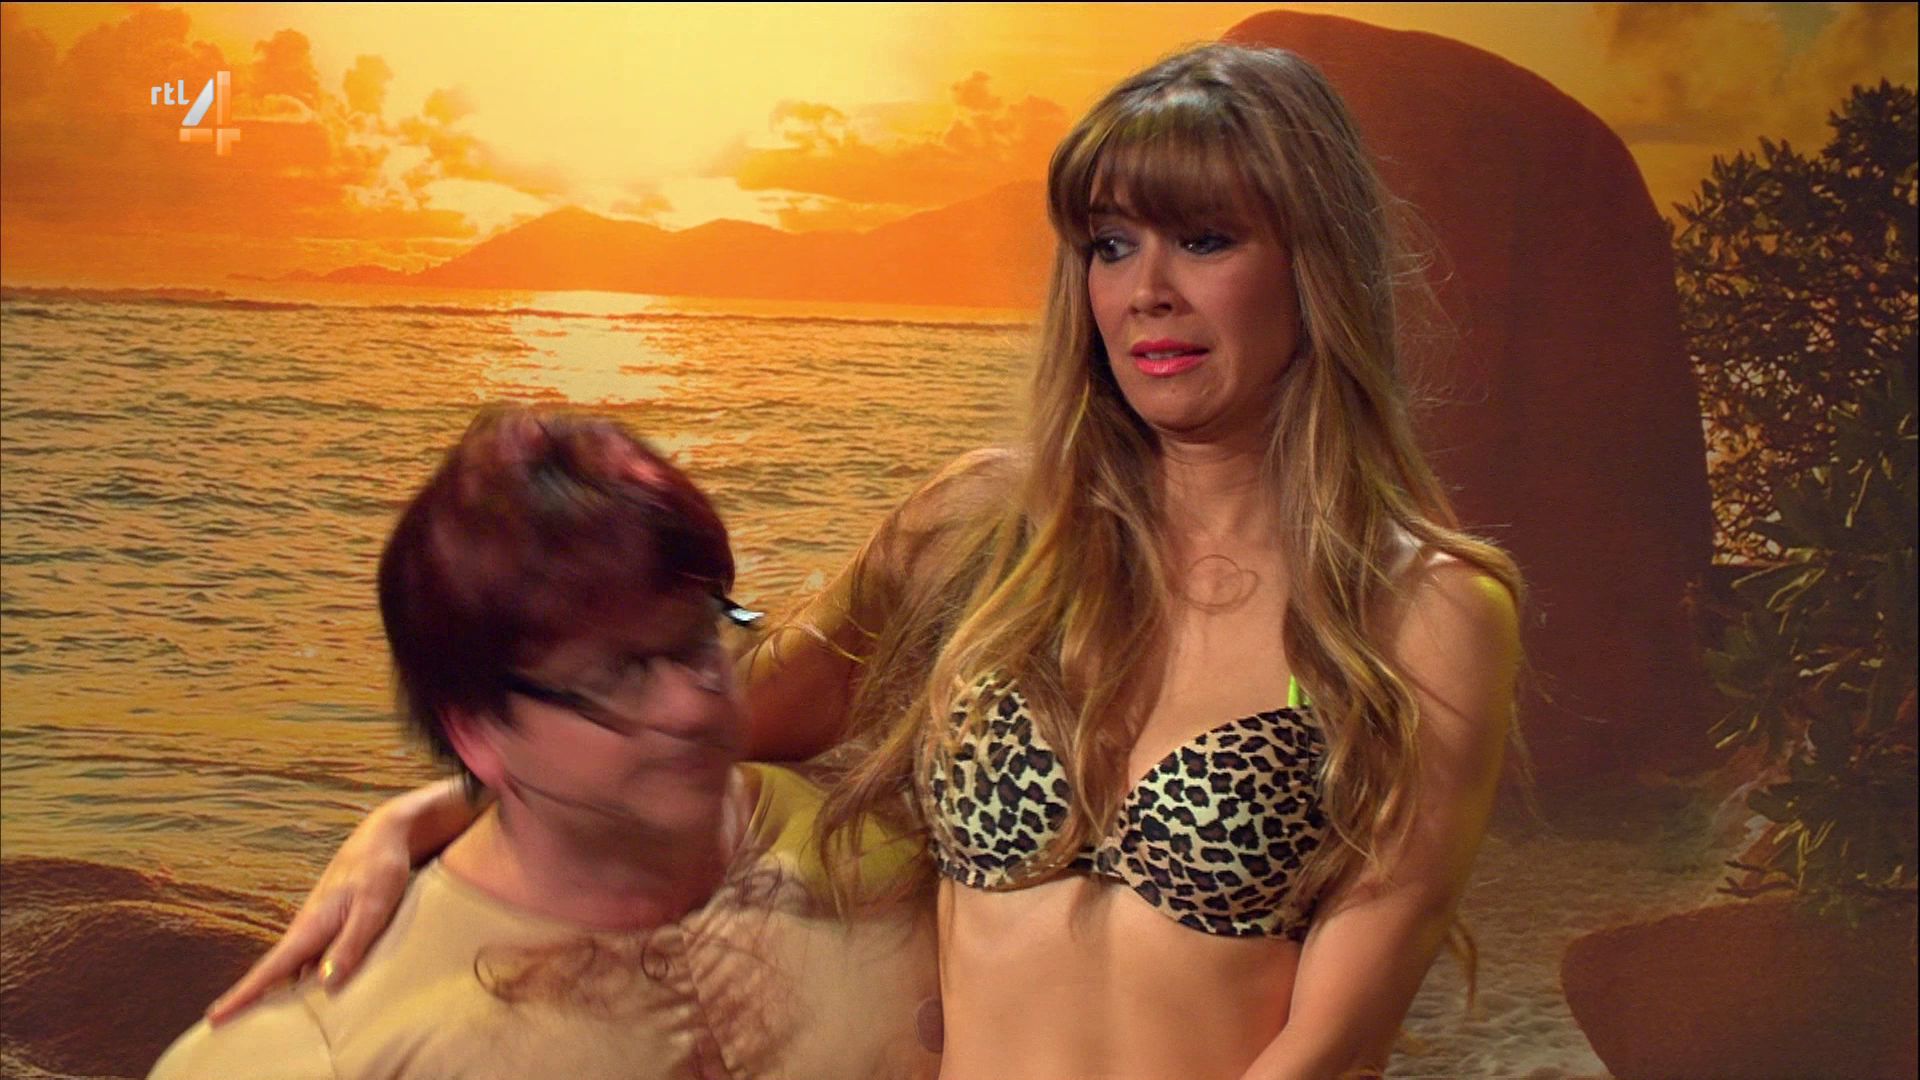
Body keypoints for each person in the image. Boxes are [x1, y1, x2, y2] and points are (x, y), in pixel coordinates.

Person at [211, 43, 1522, 1080]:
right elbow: (706, 724)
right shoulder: (983, 530)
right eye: (1112, 246)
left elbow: (1336, 1037)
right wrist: (416, 818)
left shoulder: (1425, 611)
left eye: (1207, 240)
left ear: (1316, 267)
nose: (1147, 292)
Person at [155, 408, 938, 1080]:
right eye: (615, 676)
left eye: (698, 636)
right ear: (475, 730)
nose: (690, 700)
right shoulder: (333, 1052)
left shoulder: (882, 835)